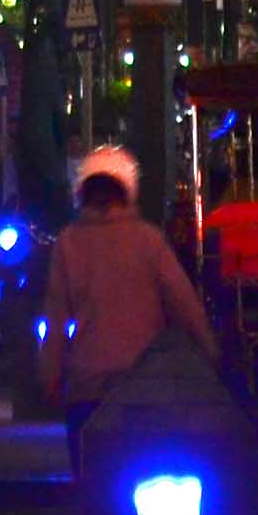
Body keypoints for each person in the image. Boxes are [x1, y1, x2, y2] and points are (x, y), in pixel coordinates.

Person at [40, 154, 212, 443]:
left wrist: (50, 377)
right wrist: (209, 352)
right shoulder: (149, 240)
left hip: (88, 386)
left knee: (90, 476)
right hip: (147, 386)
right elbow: (185, 306)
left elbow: (55, 320)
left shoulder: (68, 243)